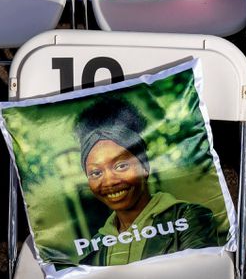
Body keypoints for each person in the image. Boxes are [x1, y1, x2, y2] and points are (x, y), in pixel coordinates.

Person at [74, 96, 220, 266]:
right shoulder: (94, 248)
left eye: (121, 166)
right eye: (96, 172)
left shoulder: (189, 217)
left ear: (144, 167)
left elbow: (197, 277)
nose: (109, 181)